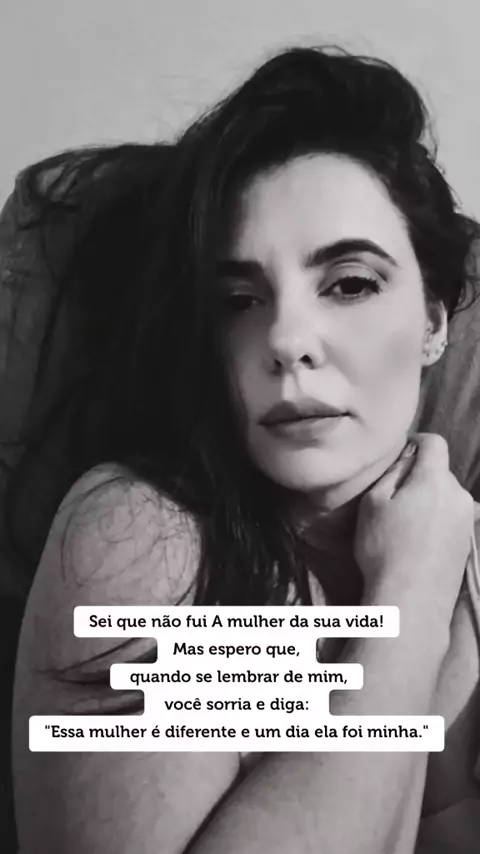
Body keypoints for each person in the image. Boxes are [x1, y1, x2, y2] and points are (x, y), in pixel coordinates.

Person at [10, 45, 480, 854]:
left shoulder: (466, 555)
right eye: (239, 299)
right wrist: (408, 601)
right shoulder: (149, 535)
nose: (287, 340)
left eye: (350, 284)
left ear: (435, 322)